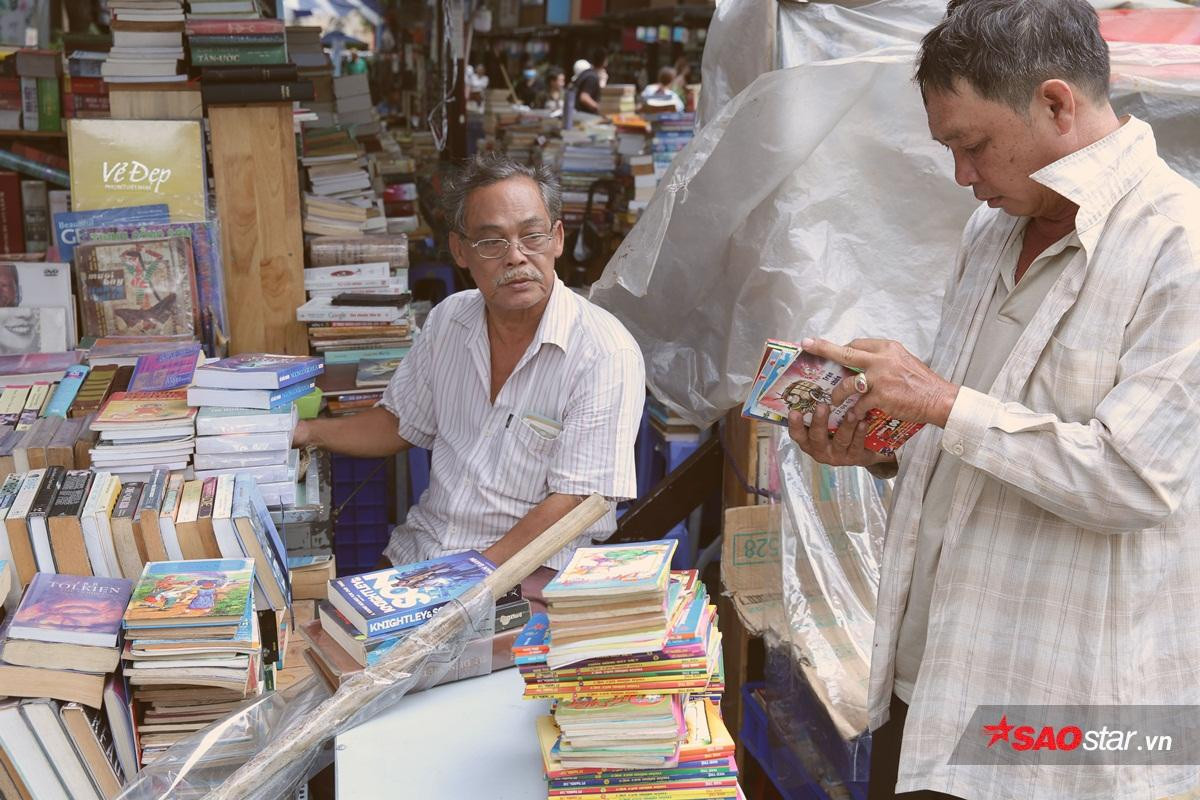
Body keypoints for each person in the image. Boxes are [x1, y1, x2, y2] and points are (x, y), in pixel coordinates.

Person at [786, 1, 1200, 798]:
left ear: (1054, 103)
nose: (961, 176)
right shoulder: (993, 234)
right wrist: (878, 444)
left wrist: (939, 402)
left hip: (1060, 713)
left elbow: (1136, 479)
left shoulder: (1178, 244)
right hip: (937, 676)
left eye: (972, 145)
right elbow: (983, 433)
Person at [294, 153, 645, 577]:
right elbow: (398, 423)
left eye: (532, 236)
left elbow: (576, 503)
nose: (516, 257)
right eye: (492, 242)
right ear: (461, 251)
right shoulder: (449, 321)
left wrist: (467, 576)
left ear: (557, 239)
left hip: (529, 573)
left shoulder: (604, 352)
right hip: (421, 555)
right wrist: (306, 432)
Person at [572, 48, 608, 115]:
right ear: (605, 62)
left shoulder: (587, 73)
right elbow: (584, 97)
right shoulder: (592, 77)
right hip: (584, 116)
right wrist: (600, 109)